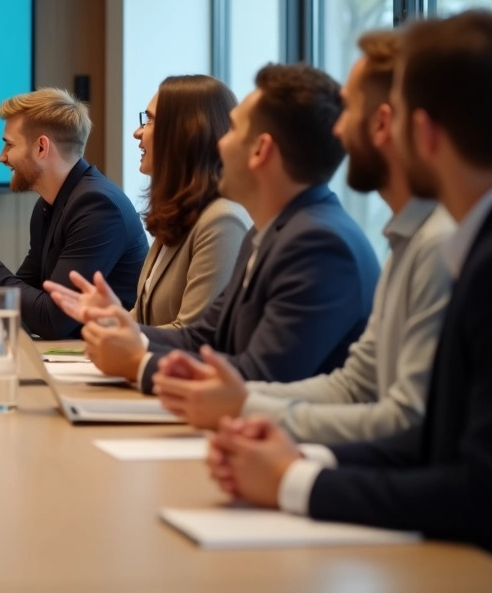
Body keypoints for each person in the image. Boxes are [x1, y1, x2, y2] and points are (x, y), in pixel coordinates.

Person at [205, 10, 492, 552]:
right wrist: (290, 451)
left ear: (419, 130)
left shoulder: (452, 253)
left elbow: (465, 479)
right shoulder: (435, 242)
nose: (337, 129)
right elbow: (388, 407)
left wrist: (295, 477)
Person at [153, 33, 453, 444]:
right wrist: (237, 403)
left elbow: (405, 424)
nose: (339, 129)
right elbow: (356, 386)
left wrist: (295, 476)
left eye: (348, 109)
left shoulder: (416, 244)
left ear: (386, 123)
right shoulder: (406, 237)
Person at [55, 64, 379, 393]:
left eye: (234, 131)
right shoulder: (267, 231)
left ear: (261, 150)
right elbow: (204, 336)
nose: (219, 144)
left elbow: (261, 375)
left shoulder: (318, 244)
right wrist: (121, 326)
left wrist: (139, 362)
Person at [0, 87, 148, 339]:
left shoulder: (97, 207)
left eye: (9, 145)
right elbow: (24, 305)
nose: (1, 157)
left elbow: (52, 320)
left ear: (41, 147)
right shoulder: (48, 206)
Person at [44, 75, 251, 330]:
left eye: (149, 120)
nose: (137, 132)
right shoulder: (179, 213)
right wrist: (104, 319)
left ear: (184, 132)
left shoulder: (222, 220)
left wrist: (121, 332)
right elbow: (143, 320)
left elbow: (197, 334)